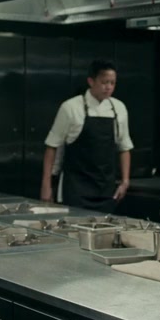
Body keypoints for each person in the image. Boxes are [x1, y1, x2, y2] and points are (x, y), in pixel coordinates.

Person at [40, 60, 133, 213]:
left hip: (107, 190)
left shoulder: (119, 108)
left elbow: (124, 147)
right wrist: (46, 185)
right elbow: (52, 146)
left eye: (112, 83)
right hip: (76, 189)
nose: (109, 87)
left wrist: (125, 181)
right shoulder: (70, 107)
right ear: (91, 81)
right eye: (104, 82)